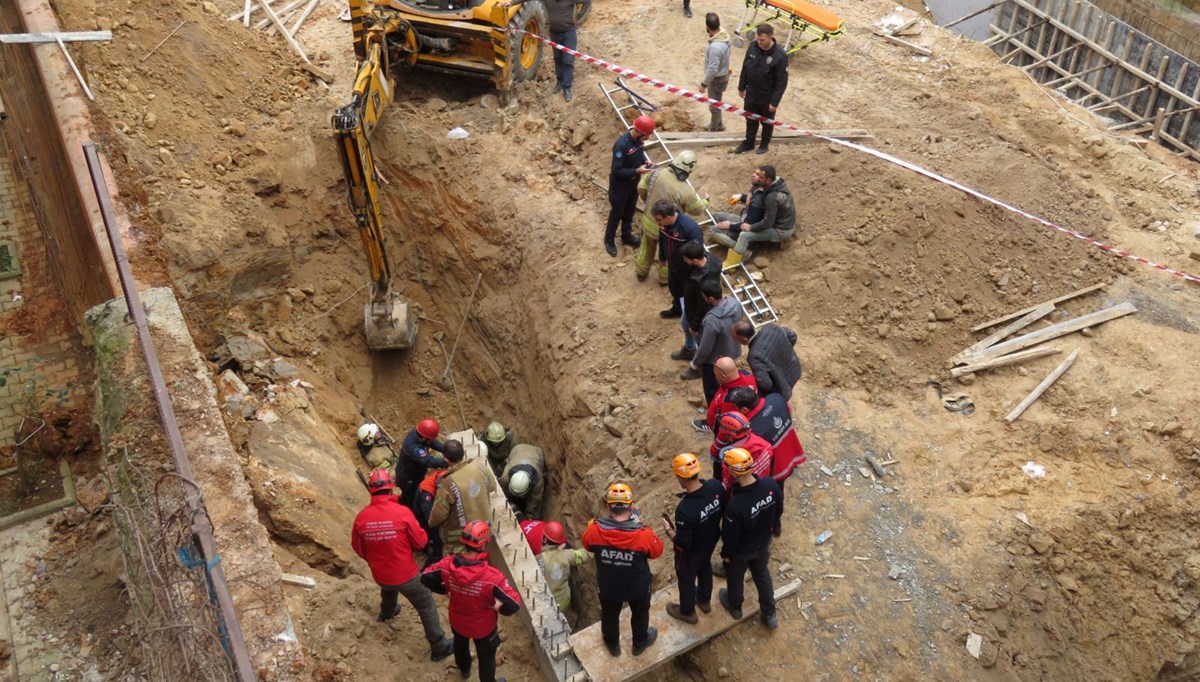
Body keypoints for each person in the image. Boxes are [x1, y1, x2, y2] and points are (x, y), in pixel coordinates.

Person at [350, 469, 455, 661]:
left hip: (380, 574)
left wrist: (376, 560)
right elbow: (421, 542)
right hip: (405, 574)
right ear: (390, 488)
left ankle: (387, 612)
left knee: (388, 587)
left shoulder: (361, 518)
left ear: (372, 491)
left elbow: (357, 548)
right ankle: (439, 646)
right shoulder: (402, 513)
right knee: (426, 604)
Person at [422, 521, 522, 682]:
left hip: (458, 621)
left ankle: (465, 670)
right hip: (483, 628)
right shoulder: (492, 577)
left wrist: (446, 589)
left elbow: (425, 577)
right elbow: (514, 604)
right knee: (486, 657)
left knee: (460, 645)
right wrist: (497, 606)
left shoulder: (447, 565)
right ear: (483, 545)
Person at [582, 483, 664, 657]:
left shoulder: (594, 531)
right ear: (632, 506)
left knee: (610, 615)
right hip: (638, 587)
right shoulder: (643, 534)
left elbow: (587, 545)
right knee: (640, 613)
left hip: (608, 587)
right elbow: (657, 551)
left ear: (608, 506)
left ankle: (613, 645)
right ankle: (639, 644)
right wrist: (642, 525)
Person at [718, 448, 783, 629]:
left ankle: (735, 605)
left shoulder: (735, 505)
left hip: (742, 552)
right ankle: (770, 615)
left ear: (732, 471)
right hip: (763, 544)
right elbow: (779, 509)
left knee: (736, 576)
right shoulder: (770, 485)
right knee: (762, 574)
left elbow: (730, 537)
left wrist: (726, 555)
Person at [663, 453, 724, 624]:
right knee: (705, 566)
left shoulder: (685, 509)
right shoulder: (715, 487)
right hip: (710, 541)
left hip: (691, 552)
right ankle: (704, 600)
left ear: (681, 479)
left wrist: (669, 531)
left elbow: (683, 543)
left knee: (686, 577)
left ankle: (687, 611)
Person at [635, 156, 708, 283]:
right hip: (669, 229)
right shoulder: (686, 190)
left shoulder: (656, 172)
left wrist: (647, 201)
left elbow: (641, 187)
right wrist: (705, 201)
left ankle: (641, 271)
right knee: (669, 254)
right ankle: (664, 279)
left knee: (646, 248)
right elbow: (696, 210)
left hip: (648, 221)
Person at [709, 165, 795, 269]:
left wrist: (748, 228)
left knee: (745, 236)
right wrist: (746, 196)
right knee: (718, 217)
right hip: (783, 221)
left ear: (767, 181)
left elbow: (767, 223)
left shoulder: (771, 198)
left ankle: (733, 263)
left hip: (781, 230)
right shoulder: (776, 182)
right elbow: (758, 189)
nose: (756, 177)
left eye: (760, 177)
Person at [726, 386, 806, 484]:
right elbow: (789, 410)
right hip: (792, 449)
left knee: (778, 487)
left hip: (778, 465)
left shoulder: (751, 428)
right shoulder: (776, 398)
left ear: (744, 410)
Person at [429, 440, 497, 553]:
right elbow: (491, 486)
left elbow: (438, 515)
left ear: (446, 459)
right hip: (484, 529)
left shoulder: (447, 483)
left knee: (457, 567)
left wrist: (430, 523)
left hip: (459, 539)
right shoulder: (479, 467)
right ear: (463, 453)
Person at [684, 279, 745, 403]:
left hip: (714, 361)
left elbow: (706, 348)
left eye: (704, 297)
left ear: (710, 299)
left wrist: (695, 364)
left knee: (712, 392)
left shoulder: (712, 320)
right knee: (730, 383)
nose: (703, 299)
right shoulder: (735, 304)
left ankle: (713, 419)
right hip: (732, 353)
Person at [604, 115, 656, 257]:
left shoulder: (639, 142)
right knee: (617, 212)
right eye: (646, 136)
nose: (647, 138)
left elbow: (639, 155)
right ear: (639, 132)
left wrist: (645, 162)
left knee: (629, 211)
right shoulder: (622, 145)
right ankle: (609, 239)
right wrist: (637, 171)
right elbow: (616, 170)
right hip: (620, 186)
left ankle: (626, 235)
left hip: (633, 184)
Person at [734, 24, 789, 155]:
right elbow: (745, 67)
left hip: (767, 96)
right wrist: (742, 87)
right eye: (758, 39)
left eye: (762, 40)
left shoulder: (780, 56)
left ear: (771, 38)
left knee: (767, 122)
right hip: (752, 93)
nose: (759, 42)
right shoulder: (753, 46)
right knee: (750, 119)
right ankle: (749, 142)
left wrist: (774, 102)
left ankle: (764, 144)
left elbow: (782, 82)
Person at [669, 241, 723, 360]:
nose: (684, 260)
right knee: (684, 323)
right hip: (690, 305)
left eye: (686, 259)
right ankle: (689, 349)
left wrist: (695, 325)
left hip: (698, 313)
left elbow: (704, 306)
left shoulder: (704, 283)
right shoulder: (708, 260)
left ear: (695, 260)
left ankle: (701, 363)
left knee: (700, 340)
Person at [651, 201, 705, 318]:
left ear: (669, 217)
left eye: (659, 219)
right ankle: (677, 309)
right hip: (673, 266)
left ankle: (691, 316)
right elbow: (662, 240)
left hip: (688, 271)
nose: (657, 222)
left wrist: (695, 272)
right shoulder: (664, 225)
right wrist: (662, 258)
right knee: (675, 290)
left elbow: (698, 252)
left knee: (690, 295)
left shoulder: (690, 229)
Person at [731, 319, 803, 401]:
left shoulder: (754, 356)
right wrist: (783, 353)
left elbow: (765, 385)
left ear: (744, 340)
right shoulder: (770, 327)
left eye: (735, 339)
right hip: (794, 369)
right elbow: (792, 336)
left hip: (783, 387)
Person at [540, 522, 590, 615]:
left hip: (547, 603)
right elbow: (584, 555)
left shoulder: (540, 559)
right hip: (564, 601)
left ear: (545, 539)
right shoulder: (567, 555)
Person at [710, 415, 774, 487]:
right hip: (763, 484)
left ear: (730, 437)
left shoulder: (731, 460)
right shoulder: (764, 445)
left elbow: (727, 484)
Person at [697, 356, 757, 432]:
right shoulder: (747, 374)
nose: (715, 376)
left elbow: (727, 425)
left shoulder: (729, 400)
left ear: (723, 376)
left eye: (715, 373)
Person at [398, 418, 448, 508]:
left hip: (415, 475)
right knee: (411, 501)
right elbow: (428, 461)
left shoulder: (420, 435)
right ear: (424, 438)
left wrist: (446, 449)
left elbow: (432, 443)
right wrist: (446, 462)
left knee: (409, 497)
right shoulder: (412, 447)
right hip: (409, 479)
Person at [700, 13, 732, 132]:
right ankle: (719, 123)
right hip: (723, 76)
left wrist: (704, 84)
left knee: (714, 105)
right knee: (717, 101)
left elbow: (712, 69)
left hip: (717, 79)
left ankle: (714, 128)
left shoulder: (715, 47)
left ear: (707, 27)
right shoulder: (725, 36)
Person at [500, 444, 546, 519]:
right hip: (518, 449)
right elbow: (503, 493)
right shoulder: (505, 477)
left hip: (537, 453)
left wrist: (529, 518)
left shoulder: (538, 481)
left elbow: (535, 502)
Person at [415, 467, 449, 568]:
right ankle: (428, 568)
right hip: (425, 519)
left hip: (432, 511)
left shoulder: (443, 477)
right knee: (439, 545)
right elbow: (430, 518)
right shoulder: (427, 492)